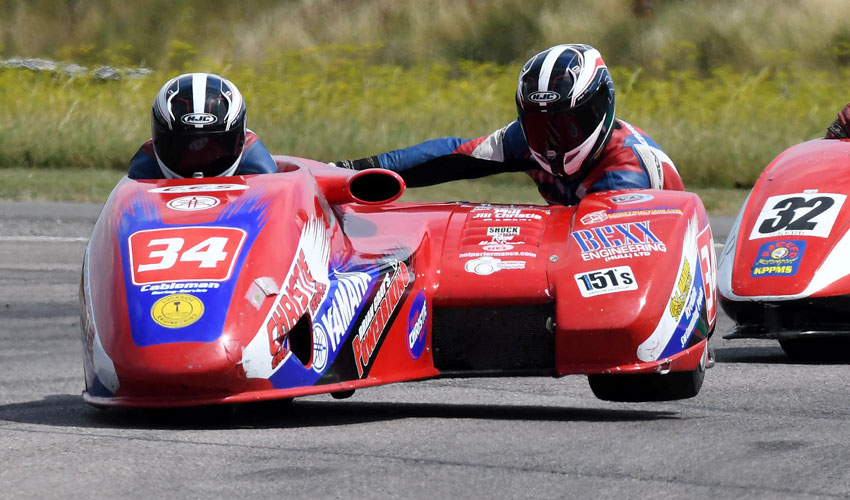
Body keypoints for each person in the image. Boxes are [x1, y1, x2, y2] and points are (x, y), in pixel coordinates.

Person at [333, 44, 683, 205]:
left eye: (565, 125)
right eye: (536, 124)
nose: (550, 142)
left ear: (597, 111)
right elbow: (447, 156)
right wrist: (346, 173)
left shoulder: (626, 171)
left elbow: (592, 250)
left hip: (660, 268)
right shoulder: (527, 143)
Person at [128, 73, 277, 179]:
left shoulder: (258, 167)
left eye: (215, 144)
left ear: (240, 138)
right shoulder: (145, 165)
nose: (197, 161)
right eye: (182, 145)